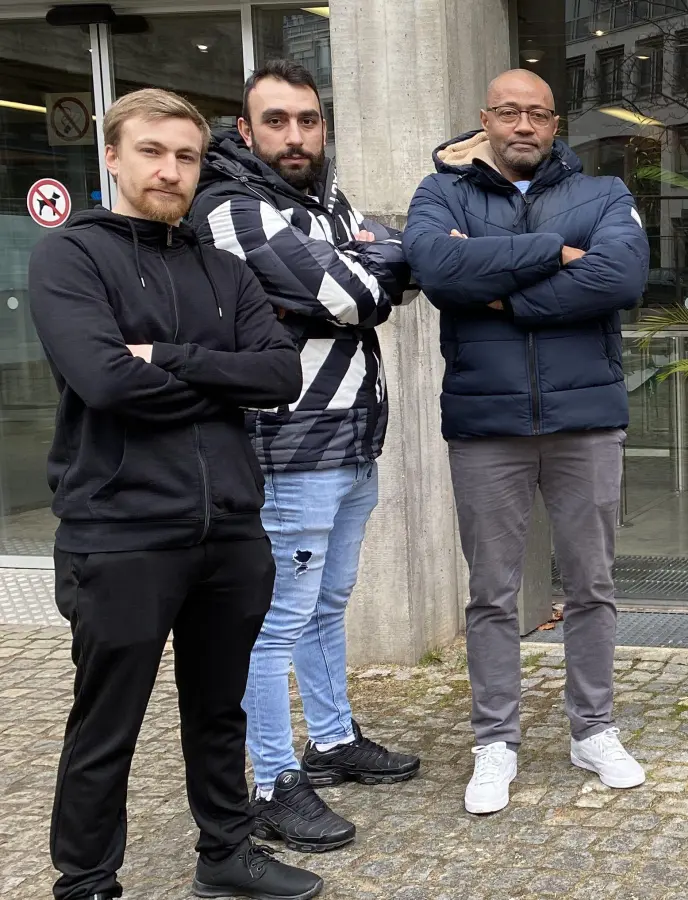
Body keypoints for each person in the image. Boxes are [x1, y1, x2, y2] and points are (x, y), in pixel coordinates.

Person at [28, 88, 321, 900]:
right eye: (152, 152)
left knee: (219, 709)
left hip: (228, 529)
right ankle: (86, 882)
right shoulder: (70, 259)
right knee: (105, 724)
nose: (170, 170)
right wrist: (216, 378)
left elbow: (280, 374)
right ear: (113, 157)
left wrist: (164, 355)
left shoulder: (224, 268)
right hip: (120, 532)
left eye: (186, 156)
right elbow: (105, 382)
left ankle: (225, 857)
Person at [404, 69, 650, 814]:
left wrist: (499, 286)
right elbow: (434, 267)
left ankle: (592, 729)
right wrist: (556, 253)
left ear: (555, 123)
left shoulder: (604, 195)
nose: (522, 125)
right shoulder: (440, 192)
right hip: (486, 425)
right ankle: (495, 742)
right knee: (491, 593)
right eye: (508, 112)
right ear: (485, 118)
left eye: (536, 114)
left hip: (586, 423)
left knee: (592, 586)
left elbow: (621, 277)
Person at [191, 59, 419, 853]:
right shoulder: (230, 207)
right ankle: (270, 779)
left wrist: (363, 266)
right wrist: (360, 269)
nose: (297, 135)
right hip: (289, 444)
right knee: (276, 621)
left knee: (327, 604)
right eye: (278, 121)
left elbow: (395, 265)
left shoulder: (324, 201)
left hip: (353, 436)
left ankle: (328, 740)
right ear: (246, 130)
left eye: (309, 120)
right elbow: (355, 295)